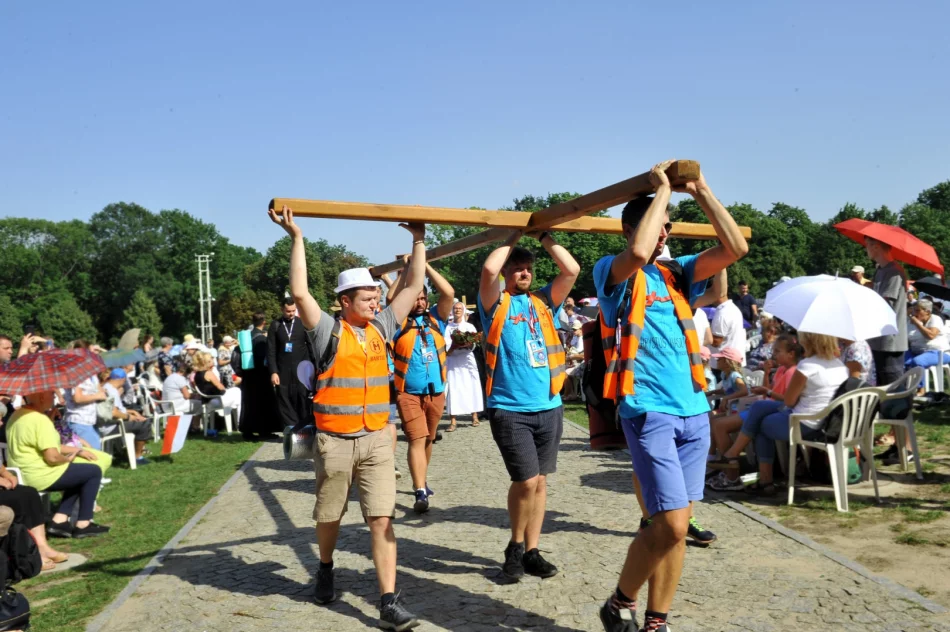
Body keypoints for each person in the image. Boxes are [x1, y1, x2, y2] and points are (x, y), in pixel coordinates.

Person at [595, 161, 748, 632]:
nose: (663, 235)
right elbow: (638, 253)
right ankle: (620, 600)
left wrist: (700, 189)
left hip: (694, 411)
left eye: (667, 228)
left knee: (671, 529)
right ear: (630, 227)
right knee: (674, 525)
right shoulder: (612, 271)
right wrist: (661, 190)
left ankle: (655, 621)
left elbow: (735, 247)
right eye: (658, 226)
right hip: (648, 409)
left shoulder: (679, 272)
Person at [269, 205, 426, 629]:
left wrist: (419, 240)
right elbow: (300, 293)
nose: (377, 301)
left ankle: (389, 601)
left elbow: (412, 288)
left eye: (377, 296)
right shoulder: (326, 330)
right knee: (330, 515)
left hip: (376, 439)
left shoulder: (383, 327)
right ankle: (325, 567)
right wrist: (297, 237)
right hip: (334, 440)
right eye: (367, 297)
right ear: (344, 301)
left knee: (381, 517)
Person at [478, 226, 580, 583]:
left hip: (548, 405)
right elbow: (489, 271)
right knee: (525, 479)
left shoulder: (542, 301)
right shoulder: (496, 303)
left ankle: (532, 551)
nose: (524, 273)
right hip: (509, 407)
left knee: (540, 482)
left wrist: (544, 238)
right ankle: (515, 546)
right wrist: (512, 238)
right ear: (508, 271)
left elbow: (571, 270)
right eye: (517, 267)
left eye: (528, 268)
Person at [707, 333, 848, 495]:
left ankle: (758, 475)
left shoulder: (808, 366)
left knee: (759, 423)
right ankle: (739, 459)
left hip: (806, 423)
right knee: (759, 408)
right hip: (828, 421)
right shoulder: (839, 365)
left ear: (809, 341)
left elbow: (789, 401)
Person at [385, 262, 454, 513]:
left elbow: (448, 293)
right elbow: (391, 297)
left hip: (436, 392)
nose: (420, 302)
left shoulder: (437, 320)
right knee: (417, 438)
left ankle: (422, 479)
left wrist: (425, 266)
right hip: (408, 393)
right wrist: (405, 275)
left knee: (428, 439)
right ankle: (420, 491)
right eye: (416, 298)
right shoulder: (399, 323)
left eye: (423, 298)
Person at [6, 390, 112, 538]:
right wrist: (68, 459)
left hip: (21, 473)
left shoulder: (17, 415)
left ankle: (59, 520)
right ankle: (84, 523)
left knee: (80, 473)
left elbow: (40, 444)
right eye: (52, 394)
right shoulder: (39, 420)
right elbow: (52, 457)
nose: (55, 398)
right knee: (93, 471)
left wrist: (75, 452)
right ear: (42, 396)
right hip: (39, 475)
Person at [707, 334, 803, 489]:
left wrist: (768, 392)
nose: (774, 355)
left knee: (719, 425)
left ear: (791, 354)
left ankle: (731, 474)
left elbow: (786, 399)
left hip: (770, 410)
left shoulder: (793, 372)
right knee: (717, 423)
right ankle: (728, 470)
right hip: (764, 407)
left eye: (778, 352)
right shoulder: (781, 370)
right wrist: (766, 374)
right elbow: (769, 391)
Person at [866, 237, 908, 386]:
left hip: (889, 341)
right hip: (879, 339)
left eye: (867, 246)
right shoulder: (881, 270)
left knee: (893, 386)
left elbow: (884, 305)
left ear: (876, 246)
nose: (866, 250)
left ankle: (899, 410)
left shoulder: (894, 272)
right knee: (881, 385)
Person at [268, 297, 311, 430]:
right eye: (288, 311)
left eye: (293, 310)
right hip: (283, 369)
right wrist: (273, 371)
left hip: (301, 368)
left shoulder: (302, 323)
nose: (291, 313)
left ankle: (304, 427)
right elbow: (271, 350)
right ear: (282, 309)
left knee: (302, 397)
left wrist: (312, 367)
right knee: (285, 399)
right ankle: (291, 428)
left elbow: (310, 346)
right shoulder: (275, 325)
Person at [238, 312, 281, 439]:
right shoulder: (261, 339)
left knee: (248, 403)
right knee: (262, 403)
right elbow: (264, 359)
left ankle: (248, 430)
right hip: (260, 376)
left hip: (248, 374)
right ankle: (264, 430)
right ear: (264, 322)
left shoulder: (246, 337)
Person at [444, 301, 484, 432]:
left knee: (472, 386)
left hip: (467, 359)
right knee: (453, 389)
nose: (457, 310)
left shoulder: (469, 326)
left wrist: (467, 344)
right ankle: (453, 421)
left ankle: (474, 416)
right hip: (454, 361)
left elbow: (474, 344)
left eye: (460, 308)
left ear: (464, 310)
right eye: (455, 308)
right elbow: (446, 347)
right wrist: (455, 345)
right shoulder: (448, 327)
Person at [103, 368, 155, 465]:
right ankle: (137, 457)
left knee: (140, 419)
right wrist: (130, 417)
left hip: (110, 423)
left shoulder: (107, 387)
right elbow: (114, 413)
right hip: (112, 426)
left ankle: (128, 451)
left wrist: (132, 412)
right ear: (123, 379)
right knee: (145, 423)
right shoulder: (113, 391)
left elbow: (116, 409)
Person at [711, 271, 747, 366]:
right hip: (733, 361)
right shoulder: (732, 308)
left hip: (723, 365)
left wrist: (702, 336)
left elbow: (716, 341)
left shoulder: (722, 313)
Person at [905, 297, 950, 373]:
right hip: (916, 351)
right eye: (913, 310)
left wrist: (917, 324)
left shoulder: (935, 319)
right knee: (899, 360)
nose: (914, 313)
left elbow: (931, 336)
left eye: (917, 310)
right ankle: (902, 384)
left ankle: (919, 385)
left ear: (928, 312)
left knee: (917, 362)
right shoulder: (910, 321)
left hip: (938, 352)